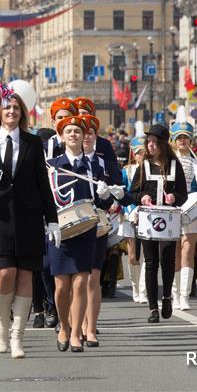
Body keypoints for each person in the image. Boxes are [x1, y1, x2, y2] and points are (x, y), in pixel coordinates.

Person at [0, 84, 59, 359]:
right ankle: (3, 327)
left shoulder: (31, 143)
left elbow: (43, 183)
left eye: (16, 108)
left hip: (28, 217)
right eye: (7, 108)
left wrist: (51, 220)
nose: (12, 112)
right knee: (5, 273)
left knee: (26, 275)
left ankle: (19, 336)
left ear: (22, 113)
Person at [47, 115, 124, 352]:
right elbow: (44, 197)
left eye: (77, 132)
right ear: (61, 136)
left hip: (86, 229)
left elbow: (108, 201)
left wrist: (105, 194)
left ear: (84, 137)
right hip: (59, 229)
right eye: (68, 131)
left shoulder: (95, 166)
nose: (73, 135)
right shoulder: (52, 165)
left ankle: (76, 333)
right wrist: (47, 222)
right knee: (61, 286)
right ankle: (64, 325)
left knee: (81, 282)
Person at [129, 124, 188, 324]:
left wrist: (174, 197)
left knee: (168, 259)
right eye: (149, 142)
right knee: (151, 261)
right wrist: (142, 196)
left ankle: (167, 297)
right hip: (148, 219)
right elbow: (132, 192)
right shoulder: (143, 166)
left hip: (169, 219)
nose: (151, 146)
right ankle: (153, 307)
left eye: (155, 142)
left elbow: (183, 194)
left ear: (163, 144)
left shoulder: (174, 165)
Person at [170, 122, 197, 311]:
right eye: (179, 137)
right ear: (173, 140)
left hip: (190, 208)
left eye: (186, 137)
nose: (182, 140)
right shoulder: (170, 160)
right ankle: (175, 293)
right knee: (175, 253)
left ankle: (185, 294)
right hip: (173, 208)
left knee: (188, 250)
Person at [121, 135, 146, 303]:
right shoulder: (127, 170)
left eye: (144, 152)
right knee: (132, 255)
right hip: (130, 212)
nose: (141, 155)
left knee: (146, 254)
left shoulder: (154, 168)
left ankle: (143, 290)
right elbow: (122, 192)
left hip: (147, 212)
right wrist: (129, 209)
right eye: (138, 153)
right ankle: (135, 287)